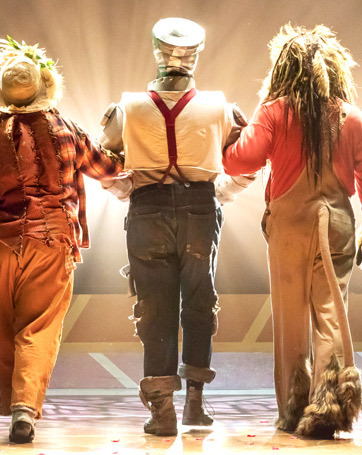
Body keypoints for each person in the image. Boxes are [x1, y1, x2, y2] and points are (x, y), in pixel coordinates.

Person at [0, 37, 125, 444]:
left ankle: (15, 404)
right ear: (42, 87)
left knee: (5, 328)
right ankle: (23, 410)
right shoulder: (66, 129)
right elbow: (108, 169)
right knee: (39, 326)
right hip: (50, 241)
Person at [223, 24, 362, 438]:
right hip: (335, 223)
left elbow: (240, 162)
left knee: (289, 318)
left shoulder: (274, 111)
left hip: (287, 227)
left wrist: (230, 138)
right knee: (332, 313)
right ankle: (328, 406)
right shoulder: (353, 118)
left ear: (284, 69)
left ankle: (292, 406)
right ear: (335, 71)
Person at [99, 18, 254, 436]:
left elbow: (103, 166)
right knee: (199, 303)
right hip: (200, 210)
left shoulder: (127, 107)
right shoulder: (221, 106)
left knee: (155, 308)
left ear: (157, 52)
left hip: (147, 212)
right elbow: (249, 162)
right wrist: (221, 192)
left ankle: (162, 411)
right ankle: (195, 406)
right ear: (195, 56)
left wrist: (130, 187)